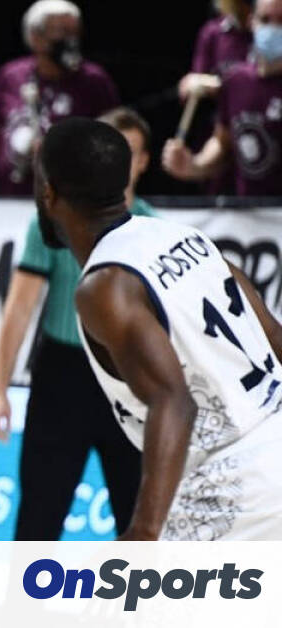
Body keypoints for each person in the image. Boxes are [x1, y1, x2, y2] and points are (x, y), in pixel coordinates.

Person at [36, 117, 282, 540]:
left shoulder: (105, 285)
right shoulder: (184, 236)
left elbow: (174, 401)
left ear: (49, 193)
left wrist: (143, 533)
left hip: (230, 487)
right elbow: (273, 336)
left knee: (138, 583)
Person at [0, 107, 154, 540]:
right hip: (62, 376)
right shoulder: (54, 217)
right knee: (39, 516)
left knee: (138, 520)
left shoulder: (153, 229)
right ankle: (26, 589)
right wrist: (0, 391)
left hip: (127, 378)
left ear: (142, 161)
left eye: (128, 151)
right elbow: (19, 308)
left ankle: (144, 590)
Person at [0, 0, 119, 196]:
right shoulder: (11, 75)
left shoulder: (94, 80)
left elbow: (113, 142)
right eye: (61, 31)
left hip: (71, 200)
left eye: (74, 31)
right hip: (12, 197)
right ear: (34, 37)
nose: (70, 39)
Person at [163, 0, 282, 197]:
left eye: (281, 20)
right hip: (248, 207)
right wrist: (193, 166)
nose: (273, 29)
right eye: (265, 19)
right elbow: (223, 143)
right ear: (252, 22)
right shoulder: (236, 80)